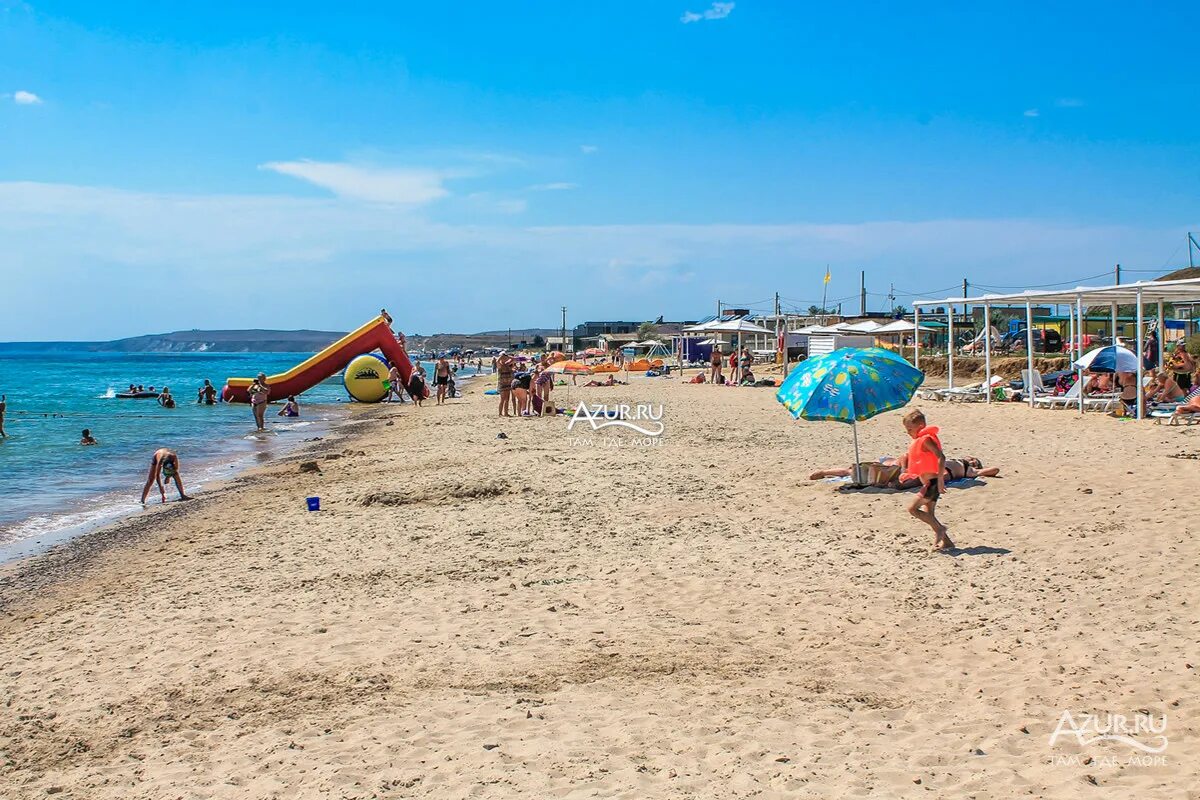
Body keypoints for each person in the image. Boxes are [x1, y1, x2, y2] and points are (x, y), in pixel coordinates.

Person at [899, 409, 953, 552]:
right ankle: (947, 542)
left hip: (933, 483)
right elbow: (908, 456)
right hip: (929, 483)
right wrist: (904, 471)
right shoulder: (918, 441)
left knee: (912, 509)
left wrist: (941, 479)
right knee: (929, 514)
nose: (908, 433)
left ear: (921, 426)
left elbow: (941, 457)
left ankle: (940, 529)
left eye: (910, 429)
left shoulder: (926, 439)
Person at [496, 351, 516, 417]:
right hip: (502, 383)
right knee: (502, 399)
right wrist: (501, 356)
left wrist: (507, 356)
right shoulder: (500, 365)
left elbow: (513, 359)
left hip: (508, 383)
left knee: (507, 399)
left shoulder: (507, 364)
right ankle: (500, 413)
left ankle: (506, 413)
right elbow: (497, 361)